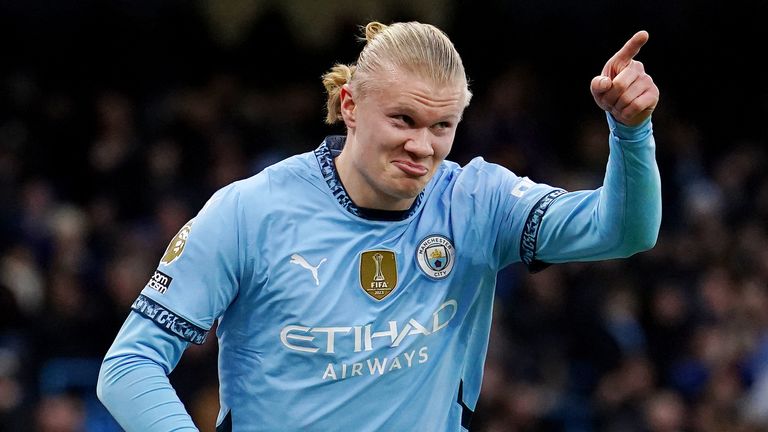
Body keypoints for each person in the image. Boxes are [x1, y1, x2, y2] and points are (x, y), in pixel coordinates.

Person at [97, 21, 661, 431]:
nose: (423, 146)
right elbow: (129, 365)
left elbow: (623, 231)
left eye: (443, 125)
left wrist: (630, 134)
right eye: (403, 120)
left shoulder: (478, 200)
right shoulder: (249, 212)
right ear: (349, 105)